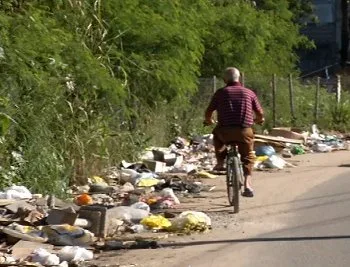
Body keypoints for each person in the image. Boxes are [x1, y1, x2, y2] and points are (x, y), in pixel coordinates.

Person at [204, 67, 264, 197]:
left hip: (224, 131)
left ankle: (220, 162)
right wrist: (259, 120)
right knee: (248, 157)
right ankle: (247, 185)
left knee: (217, 136)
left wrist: (208, 120)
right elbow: (259, 112)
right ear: (239, 78)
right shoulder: (249, 93)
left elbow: (209, 111)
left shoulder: (220, 93)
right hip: (244, 131)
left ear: (225, 79)